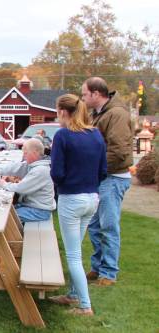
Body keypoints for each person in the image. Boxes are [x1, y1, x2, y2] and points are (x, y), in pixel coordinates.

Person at [48, 94, 107, 316]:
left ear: (63, 111)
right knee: (76, 250)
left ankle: (85, 306)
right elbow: (103, 170)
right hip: (92, 198)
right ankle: (73, 294)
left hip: (71, 199)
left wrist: (63, 183)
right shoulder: (96, 135)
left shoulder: (63, 136)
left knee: (72, 255)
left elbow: (57, 172)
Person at [82, 77, 133, 286]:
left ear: (96, 94)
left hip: (112, 177)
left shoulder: (117, 114)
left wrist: (95, 169)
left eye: (85, 94)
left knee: (108, 226)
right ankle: (98, 267)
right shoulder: (99, 114)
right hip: (102, 178)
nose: (82, 98)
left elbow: (118, 151)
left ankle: (109, 273)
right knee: (94, 226)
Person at [0, 138, 56, 224]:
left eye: (25, 153)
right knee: (4, 211)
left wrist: (4, 184)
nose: (24, 156)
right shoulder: (34, 164)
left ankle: (13, 237)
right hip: (31, 207)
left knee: (3, 216)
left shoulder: (41, 170)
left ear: (35, 152)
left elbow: (21, 188)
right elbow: (15, 167)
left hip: (39, 211)